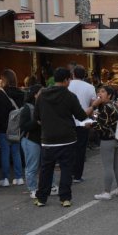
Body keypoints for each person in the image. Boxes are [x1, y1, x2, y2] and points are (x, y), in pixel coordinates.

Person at [34, 67, 90, 207]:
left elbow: (37, 117)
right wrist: (93, 106)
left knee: (46, 169)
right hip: (67, 138)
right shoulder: (69, 96)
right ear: (66, 80)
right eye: (69, 79)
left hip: (48, 139)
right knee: (66, 169)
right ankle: (65, 198)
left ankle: (41, 198)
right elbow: (81, 116)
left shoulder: (42, 95)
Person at [0, 69, 25, 187]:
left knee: (5, 152)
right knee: (16, 152)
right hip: (16, 127)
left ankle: (5, 178)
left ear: (3, 79)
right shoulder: (21, 93)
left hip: (2, 127)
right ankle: (19, 177)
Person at [91, 86, 118, 200]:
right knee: (117, 165)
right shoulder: (114, 104)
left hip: (107, 140)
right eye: (98, 91)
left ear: (109, 95)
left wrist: (90, 123)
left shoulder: (105, 107)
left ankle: (106, 192)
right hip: (117, 138)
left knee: (108, 167)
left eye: (102, 91)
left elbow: (101, 125)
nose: (99, 93)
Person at [68, 65, 97, 183]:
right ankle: (77, 175)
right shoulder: (90, 87)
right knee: (80, 149)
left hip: (68, 121)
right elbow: (93, 105)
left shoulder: (67, 85)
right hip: (83, 121)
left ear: (73, 74)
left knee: (69, 148)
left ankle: (68, 173)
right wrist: (93, 120)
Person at [20, 84, 43, 198]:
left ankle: (50, 186)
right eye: (41, 92)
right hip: (30, 140)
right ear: (35, 95)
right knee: (32, 166)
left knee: (46, 165)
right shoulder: (27, 108)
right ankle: (32, 188)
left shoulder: (44, 106)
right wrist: (36, 122)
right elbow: (23, 126)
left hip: (42, 140)